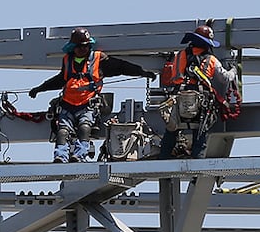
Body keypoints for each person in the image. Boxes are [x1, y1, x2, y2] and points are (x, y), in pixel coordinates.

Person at [27, 28, 152, 163]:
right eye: (79, 46)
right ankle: (60, 156)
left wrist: (142, 72)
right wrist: (39, 89)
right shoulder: (68, 61)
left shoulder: (98, 59)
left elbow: (121, 67)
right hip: (67, 105)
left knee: (84, 127)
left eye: (85, 46)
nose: (83, 49)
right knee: (62, 131)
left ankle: (79, 155)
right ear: (73, 47)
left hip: (87, 105)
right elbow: (59, 80)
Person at [155, 24, 240, 159]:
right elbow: (225, 78)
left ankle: (163, 158)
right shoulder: (211, 60)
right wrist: (234, 70)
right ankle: (197, 161)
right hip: (200, 101)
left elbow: (173, 76)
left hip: (178, 99)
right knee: (200, 131)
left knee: (172, 129)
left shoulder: (179, 55)